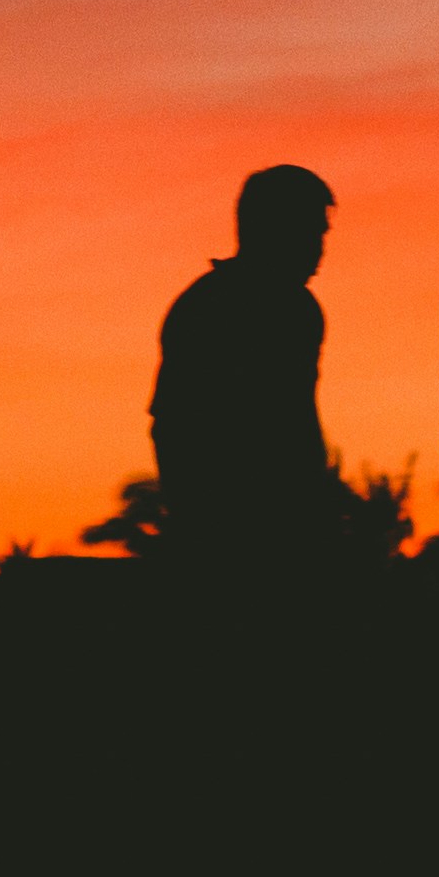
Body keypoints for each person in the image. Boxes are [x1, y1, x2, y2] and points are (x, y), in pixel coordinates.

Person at [150, 165, 336, 585]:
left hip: (290, 525)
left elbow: (298, 420)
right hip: (226, 531)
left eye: (322, 234)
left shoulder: (299, 309)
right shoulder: (208, 308)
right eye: (310, 232)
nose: (320, 249)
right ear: (271, 229)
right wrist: (199, 525)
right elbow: (176, 426)